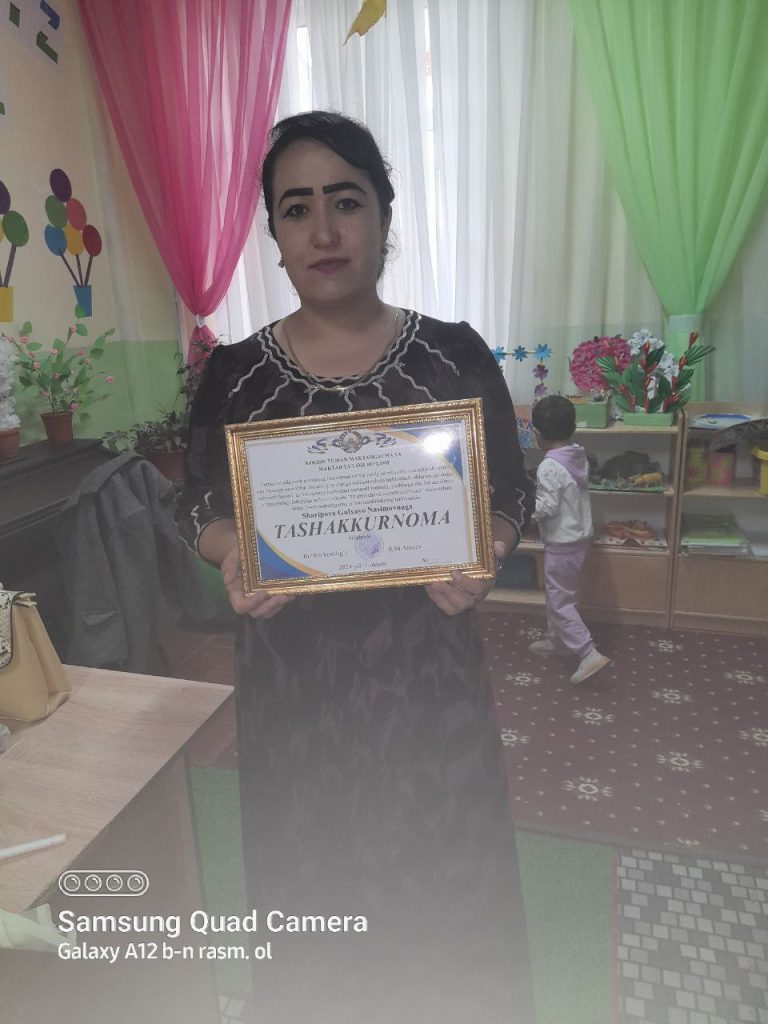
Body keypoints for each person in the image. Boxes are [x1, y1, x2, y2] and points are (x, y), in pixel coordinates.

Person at [178, 111, 535, 1022]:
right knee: (313, 898)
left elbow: (507, 491)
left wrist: (486, 551)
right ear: (275, 235)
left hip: (427, 679)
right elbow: (198, 508)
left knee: (444, 900)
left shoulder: (453, 351)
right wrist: (236, 558)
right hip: (295, 685)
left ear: (384, 214)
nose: (325, 231)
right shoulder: (235, 373)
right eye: (297, 210)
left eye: (347, 201)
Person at [530, 395, 610, 684]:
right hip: (578, 538)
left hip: (562, 542)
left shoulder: (549, 467)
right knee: (565, 594)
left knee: (559, 601)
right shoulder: (577, 454)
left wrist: (525, 509)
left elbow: (547, 508)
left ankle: (588, 652)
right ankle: (558, 642)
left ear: (537, 434)